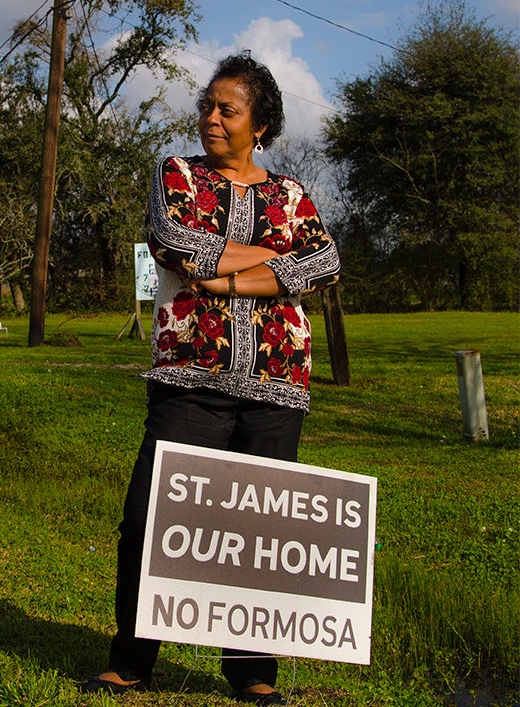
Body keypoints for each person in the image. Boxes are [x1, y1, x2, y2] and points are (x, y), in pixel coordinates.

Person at [82, 53, 341, 705]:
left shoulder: (292, 195)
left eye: (228, 109)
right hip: (190, 378)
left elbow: (328, 261)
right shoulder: (178, 175)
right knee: (150, 520)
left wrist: (224, 277)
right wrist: (281, 260)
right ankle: (132, 660)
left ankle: (252, 672)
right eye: (208, 106)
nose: (212, 118)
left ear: (261, 123)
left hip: (278, 386)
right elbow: (173, 239)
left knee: (257, 537)